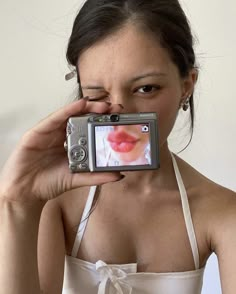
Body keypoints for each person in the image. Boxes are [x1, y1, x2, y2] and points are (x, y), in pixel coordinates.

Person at [0, 0, 235, 293]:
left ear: (187, 85)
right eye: (98, 93)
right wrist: (16, 203)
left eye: (146, 88)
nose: (120, 114)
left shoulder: (223, 210)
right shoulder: (56, 200)